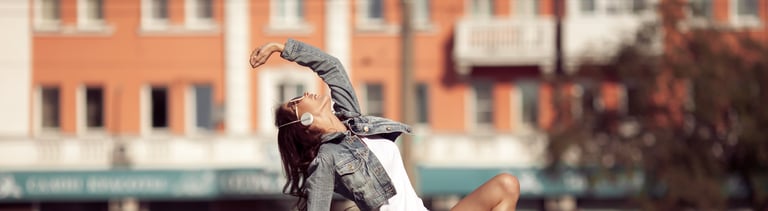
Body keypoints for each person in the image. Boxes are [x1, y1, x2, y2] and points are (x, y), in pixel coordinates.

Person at [250, 39, 520, 211]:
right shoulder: (326, 158)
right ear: (303, 122)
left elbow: (331, 67)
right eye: (297, 101)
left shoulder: (353, 122)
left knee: (506, 186)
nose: (307, 94)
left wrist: (279, 48)